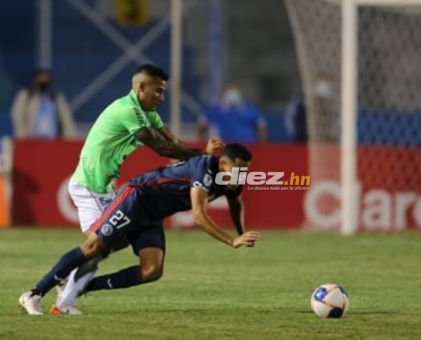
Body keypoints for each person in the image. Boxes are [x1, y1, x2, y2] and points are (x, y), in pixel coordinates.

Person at [53, 64, 224, 314]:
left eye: (163, 92)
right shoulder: (128, 110)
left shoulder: (147, 114)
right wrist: (202, 154)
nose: (161, 98)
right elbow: (162, 149)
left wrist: (201, 155)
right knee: (95, 246)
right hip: (90, 185)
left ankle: (69, 289)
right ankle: (50, 296)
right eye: (157, 91)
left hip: (104, 187)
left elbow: (173, 142)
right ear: (141, 87)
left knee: (112, 246)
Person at [18, 144, 260, 315]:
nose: (242, 176)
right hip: (137, 199)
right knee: (93, 247)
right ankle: (34, 293)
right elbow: (198, 215)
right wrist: (231, 241)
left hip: (153, 215)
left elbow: (235, 203)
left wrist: (241, 232)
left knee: (152, 270)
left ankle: (81, 286)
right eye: (238, 169)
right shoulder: (205, 167)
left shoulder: (233, 180)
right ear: (223, 162)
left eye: (246, 170)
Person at [11, 69, 78, 139]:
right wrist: (21, 138)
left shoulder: (56, 98)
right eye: (40, 80)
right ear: (35, 81)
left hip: (54, 141)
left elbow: (66, 120)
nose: (43, 83)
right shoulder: (26, 96)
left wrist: (71, 138)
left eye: (45, 80)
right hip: (31, 140)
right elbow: (17, 116)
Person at [197, 83, 267, 143]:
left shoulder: (250, 110)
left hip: (247, 147)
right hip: (223, 147)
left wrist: (262, 144)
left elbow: (261, 126)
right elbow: (202, 123)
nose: (232, 95)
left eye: (235, 93)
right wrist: (201, 142)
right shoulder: (215, 110)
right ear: (224, 94)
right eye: (230, 93)